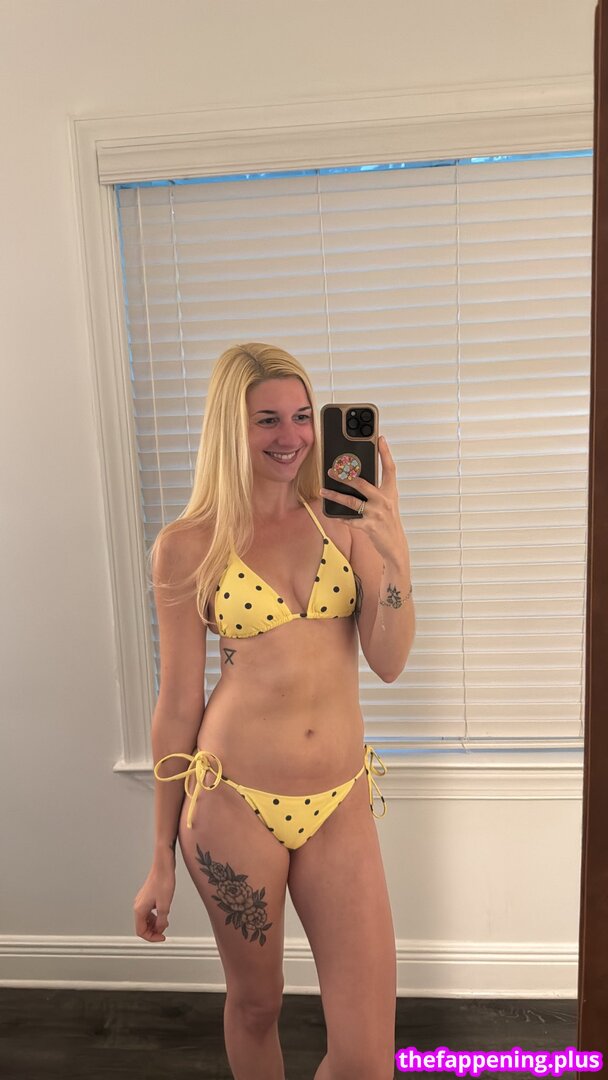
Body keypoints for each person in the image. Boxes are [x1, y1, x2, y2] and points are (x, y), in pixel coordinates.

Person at [133, 343, 415, 1080]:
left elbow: (388, 660)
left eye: (301, 416)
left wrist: (395, 552)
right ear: (231, 427)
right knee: (257, 1005)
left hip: (339, 800)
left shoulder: (343, 522)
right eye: (267, 420)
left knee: (366, 1058)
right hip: (232, 804)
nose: (291, 436)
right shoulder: (187, 546)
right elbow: (177, 703)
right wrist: (159, 858)